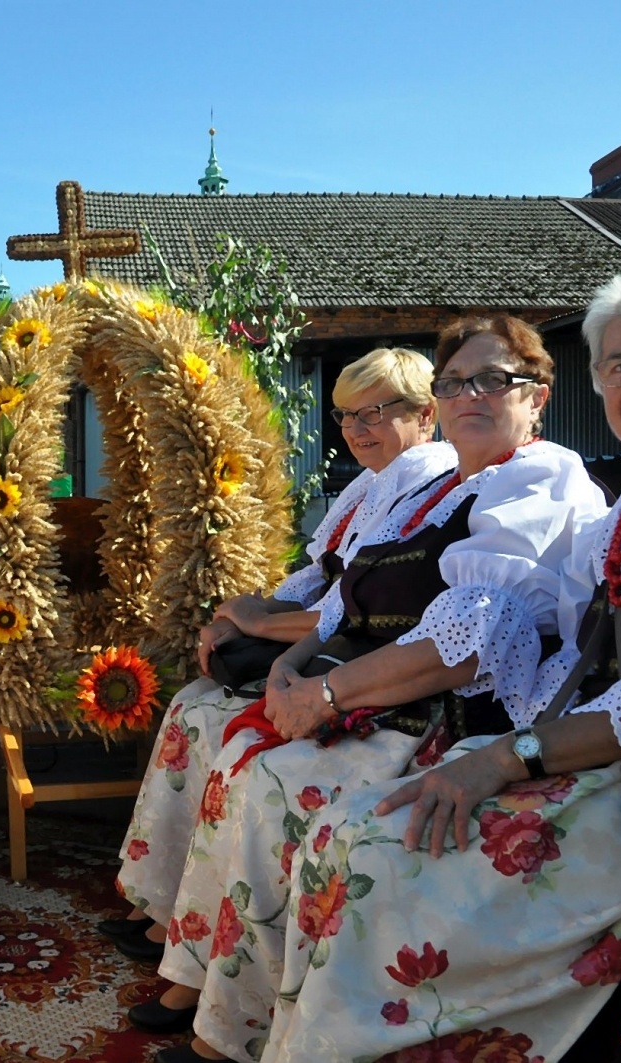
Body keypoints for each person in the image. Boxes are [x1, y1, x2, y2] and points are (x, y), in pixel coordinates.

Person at [194, 265, 621, 1062]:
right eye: (620, 364)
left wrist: (502, 757)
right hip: (593, 752)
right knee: (347, 826)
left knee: (375, 849)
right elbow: (557, 658)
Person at [151, 314, 609, 1063]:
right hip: (391, 693)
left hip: (457, 718)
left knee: (273, 782)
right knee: (244, 751)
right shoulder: (436, 493)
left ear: (537, 397)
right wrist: (288, 668)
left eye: (494, 380)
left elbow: (472, 642)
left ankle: (239, 1027)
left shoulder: (539, 478)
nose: (470, 395)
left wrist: (324, 695)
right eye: (456, 381)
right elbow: (344, 602)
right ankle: (210, 985)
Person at [108, 348, 456, 966]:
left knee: (219, 732)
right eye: (346, 415)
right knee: (192, 706)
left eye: (374, 413)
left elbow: (357, 606)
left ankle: (199, 937)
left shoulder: (433, 484)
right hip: (331, 650)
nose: (356, 429)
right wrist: (242, 616)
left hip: (373, 671)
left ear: (426, 414)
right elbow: (317, 579)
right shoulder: (374, 484)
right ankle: (166, 904)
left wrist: (263, 624)